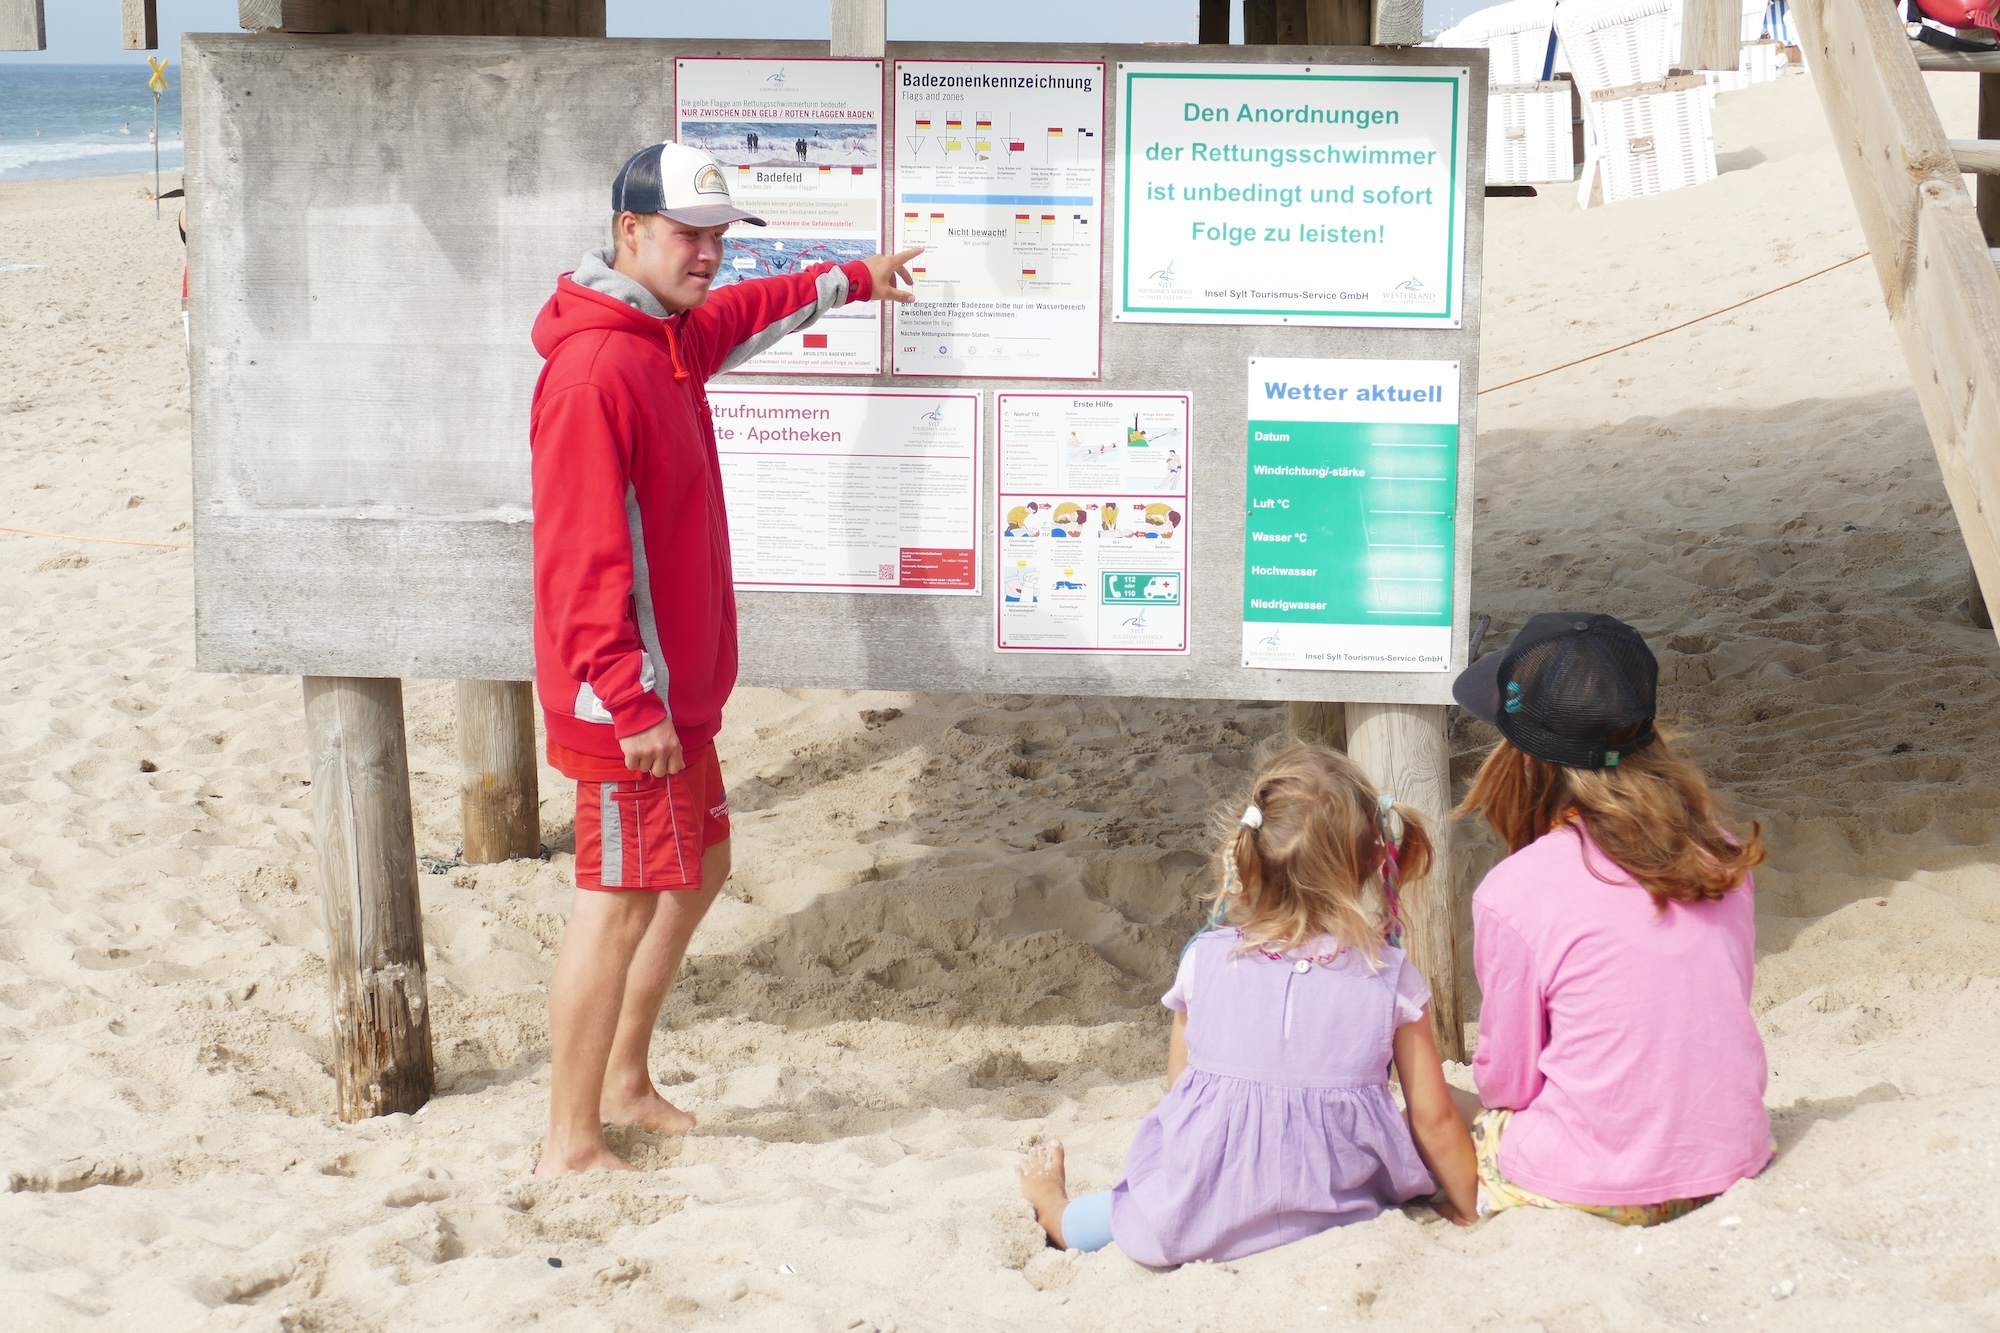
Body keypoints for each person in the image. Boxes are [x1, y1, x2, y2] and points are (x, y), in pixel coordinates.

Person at [528, 141, 921, 1176]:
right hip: (627, 703)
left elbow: (746, 313)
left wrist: (852, 278)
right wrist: (632, 701)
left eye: (716, 236)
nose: (706, 255)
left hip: (676, 694)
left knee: (701, 866)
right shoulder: (595, 371)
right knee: (613, 903)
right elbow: (578, 562)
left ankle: (624, 1079)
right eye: (686, 234)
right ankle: (569, 1140)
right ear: (629, 233)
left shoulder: (664, 337)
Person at [1015, 745, 1479, 1263]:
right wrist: (1467, 1210)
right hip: (1339, 1206)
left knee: (1128, 1211)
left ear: (1246, 856)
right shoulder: (1389, 975)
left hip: (1204, 1208)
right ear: (1374, 859)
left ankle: (1056, 1213)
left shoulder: (1204, 959)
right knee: (1446, 1112)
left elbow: (1181, 1095)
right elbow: (1433, 1120)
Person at [1451, 612, 1773, 1225]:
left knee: (1425, 1111)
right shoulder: (1720, 854)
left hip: (1595, 1180)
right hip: (1729, 1159)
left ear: (1524, 760)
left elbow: (1508, 1086)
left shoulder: (1514, 890)